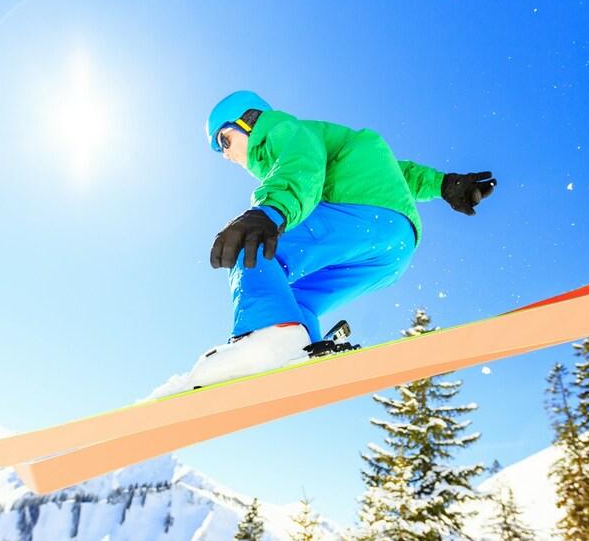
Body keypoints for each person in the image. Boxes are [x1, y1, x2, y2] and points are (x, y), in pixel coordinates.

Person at [149, 90, 495, 399]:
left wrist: (269, 212)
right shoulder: (336, 143)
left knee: (252, 245)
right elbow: (396, 171)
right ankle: (296, 346)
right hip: (393, 246)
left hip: (361, 218)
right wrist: (445, 184)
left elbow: (303, 163)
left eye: (223, 141)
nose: (224, 154)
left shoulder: (282, 130)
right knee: (290, 298)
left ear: (249, 121)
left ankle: (267, 338)